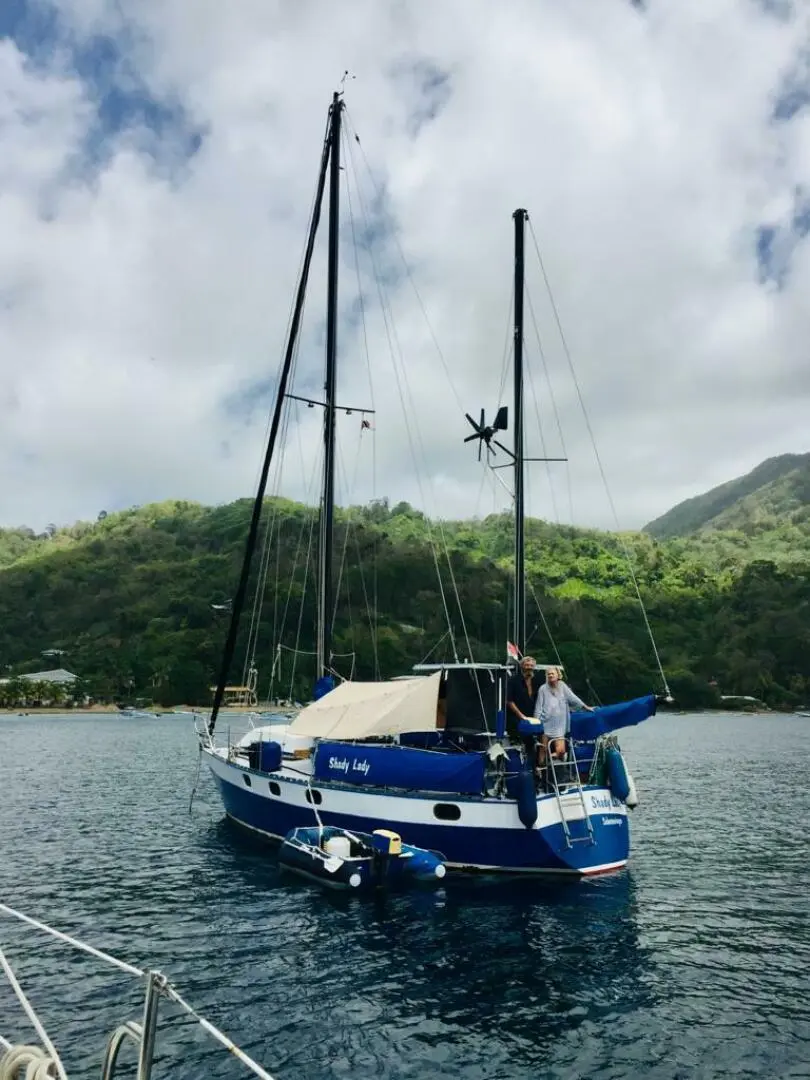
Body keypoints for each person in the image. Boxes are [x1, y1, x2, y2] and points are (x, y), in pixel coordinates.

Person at [534, 666, 593, 763]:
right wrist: (536, 723)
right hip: (545, 724)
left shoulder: (562, 686)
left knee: (561, 752)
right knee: (543, 749)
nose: (550, 675)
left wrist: (586, 707)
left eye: (552, 673)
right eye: (548, 674)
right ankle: (541, 769)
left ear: (558, 675)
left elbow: (574, 699)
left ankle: (553, 763)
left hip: (560, 725)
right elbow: (538, 707)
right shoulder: (542, 689)